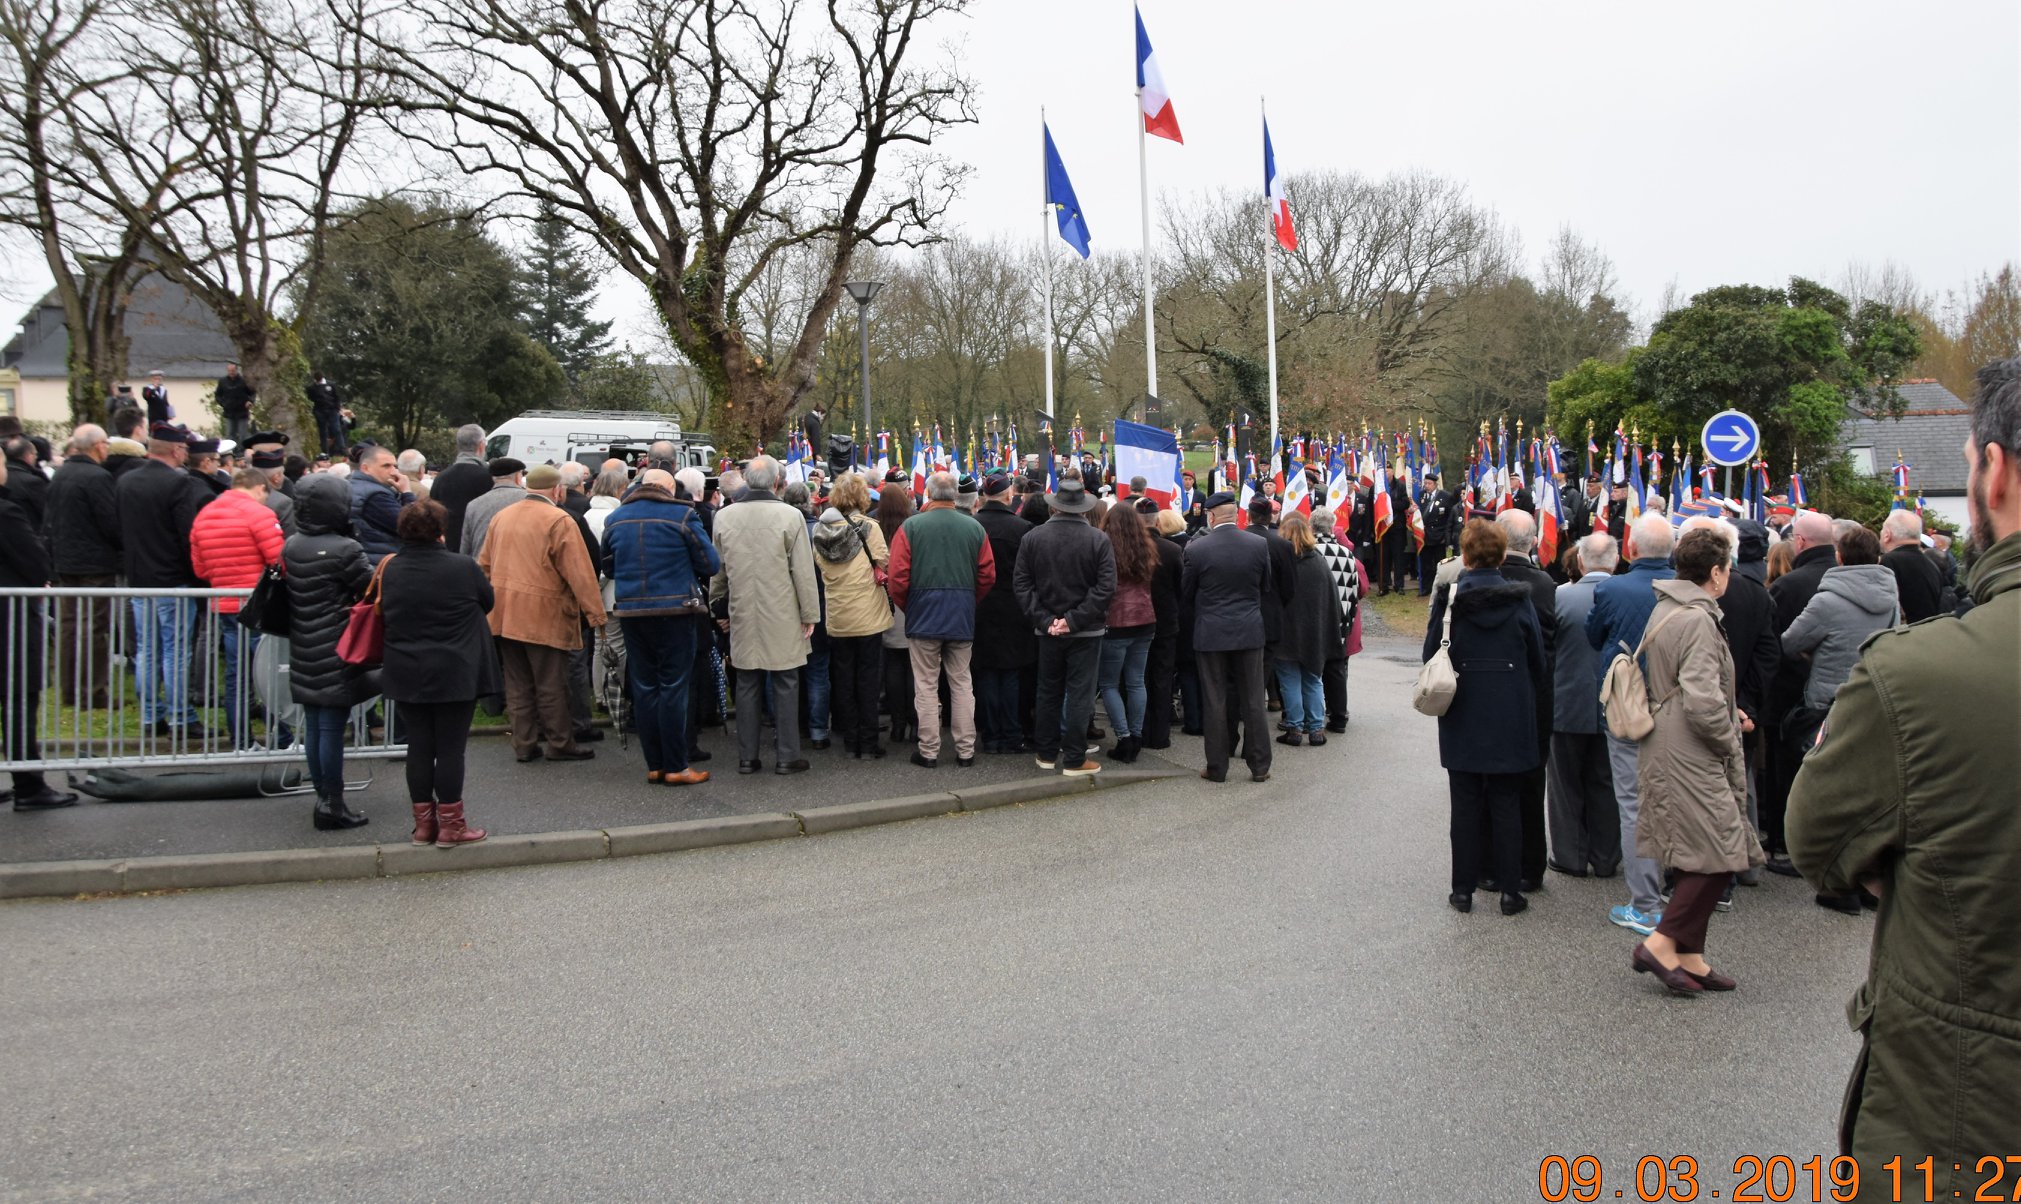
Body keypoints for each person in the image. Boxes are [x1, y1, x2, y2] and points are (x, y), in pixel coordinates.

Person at [1785, 359, 2021, 1192]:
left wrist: (1913, 854)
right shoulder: (1900, 608)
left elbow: (1819, 843)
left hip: (1965, 1123)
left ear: (1993, 472)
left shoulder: (1915, 678)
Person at [1629, 525, 1762, 992]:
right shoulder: (1698, 618)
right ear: (1717, 573)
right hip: (1688, 746)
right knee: (1722, 849)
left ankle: (1689, 954)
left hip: (1670, 738)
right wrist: (1729, 737)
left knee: (1698, 851)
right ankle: (1661, 945)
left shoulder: (1670, 606)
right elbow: (1703, 702)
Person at [1428, 518, 1546, 916]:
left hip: (1462, 712)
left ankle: (1462, 890)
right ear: (1500, 555)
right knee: (1507, 802)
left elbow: (1430, 653)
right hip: (1509, 712)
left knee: (1464, 805)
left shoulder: (1449, 599)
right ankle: (1510, 892)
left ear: (1465, 556)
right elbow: (1537, 659)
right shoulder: (1520, 600)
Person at [1781, 524, 1903, 900]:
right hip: (1871, 696)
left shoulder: (1828, 600)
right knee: (1861, 788)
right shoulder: (1890, 597)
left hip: (1826, 700)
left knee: (1822, 786)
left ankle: (1829, 876)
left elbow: (1790, 642)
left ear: (1839, 556)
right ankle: (1863, 876)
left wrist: (1816, 654)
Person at [379, 499, 497, 846]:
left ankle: (424, 825)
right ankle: (451, 825)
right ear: (441, 530)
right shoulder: (462, 567)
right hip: (454, 666)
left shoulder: (390, 567)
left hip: (405, 666)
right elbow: (487, 601)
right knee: (449, 748)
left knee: (418, 746)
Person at [1584, 513, 1677, 936]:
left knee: (1634, 804)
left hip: (1628, 708)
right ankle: (1679, 888)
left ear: (1632, 549)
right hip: (1678, 709)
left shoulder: (1612, 589)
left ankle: (1646, 904)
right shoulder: (1688, 589)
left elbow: (1594, 636)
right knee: (1674, 799)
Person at [479, 464, 607, 763]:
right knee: (551, 684)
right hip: (543, 614)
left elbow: (483, 566)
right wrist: (596, 616)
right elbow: (580, 574)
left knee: (517, 685)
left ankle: (524, 744)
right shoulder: (558, 519)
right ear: (558, 490)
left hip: (504, 614)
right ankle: (560, 743)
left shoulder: (502, 517)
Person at [603, 469, 719, 785]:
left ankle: (655, 764)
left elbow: (609, 566)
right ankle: (677, 766)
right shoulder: (682, 515)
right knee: (673, 687)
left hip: (631, 610)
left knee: (644, 687)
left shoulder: (616, 518)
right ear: (669, 488)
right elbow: (710, 564)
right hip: (676, 610)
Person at [709, 454, 820, 775]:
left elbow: (719, 571)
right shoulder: (790, 516)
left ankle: (748, 756)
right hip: (783, 610)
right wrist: (810, 613)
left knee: (747, 682)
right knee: (785, 681)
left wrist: (717, 606)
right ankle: (787, 756)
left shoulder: (724, 517)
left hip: (742, 608)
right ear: (776, 482)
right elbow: (802, 571)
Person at [281, 474, 374, 829]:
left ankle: (324, 797)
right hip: (337, 644)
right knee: (332, 726)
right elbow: (369, 586)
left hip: (304, 644)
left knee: (316, 725)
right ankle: (332, 804)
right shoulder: (345, 549)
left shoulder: (292, 544)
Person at [886, 472, 993, 768]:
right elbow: (987, 574)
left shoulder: (911, 527)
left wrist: (910, 606)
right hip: (960, 613)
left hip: (923, 614)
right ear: (955, 495)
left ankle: (929, 749)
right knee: (961, 682)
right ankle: (966, 749)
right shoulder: (974, 527)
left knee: (926, 684)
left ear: (929, 494)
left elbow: (897, 577)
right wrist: (968, 601)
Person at [1012, 478, 1115, 777]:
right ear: (1083, 508)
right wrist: (1073, 620)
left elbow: (1022, 584)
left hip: (1048, 630)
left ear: (1055, 507)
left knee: (1048, 691)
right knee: (1080, 694)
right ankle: (1073, 757)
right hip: (1085, 629)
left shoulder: (1033, 538)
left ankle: (1046, 753)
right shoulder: (1098, 539)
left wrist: (1046, 620)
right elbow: (1105, 588)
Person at [117, 424, 214, 738]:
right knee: (176, 652)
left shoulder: (126, 481)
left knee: (147, 650)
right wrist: (198, 575)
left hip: (140, 579)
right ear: (176, 450)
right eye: (184, 449)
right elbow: (187, 535)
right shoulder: (178, 482)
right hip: (172, 579)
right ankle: (180, 717)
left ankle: (151, 716)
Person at [189, 468, 285, 750]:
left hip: (225, 603)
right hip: (259, 604)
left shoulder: (204, 515)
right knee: (269, 673)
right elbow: (278, 561)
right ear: (260, 488)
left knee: (236, 674)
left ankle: (241, 740)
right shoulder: (260, 514)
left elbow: (200, 569)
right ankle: (282, 737)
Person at [0, 458, 76, 810]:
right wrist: (39, 575)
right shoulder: (5, 512)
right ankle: (28, 785)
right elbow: (35, 561)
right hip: (9, 620)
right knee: (19, 698)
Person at [1181, 492, 1272, 783]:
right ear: (1236, 515)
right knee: (1254, 699)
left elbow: (1186, 593)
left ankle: (1217, 767)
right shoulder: (1258, 544)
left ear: (1210, 516)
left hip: (1211, 632)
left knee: (1214, 699)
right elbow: (1265, 585)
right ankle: (1260, 766)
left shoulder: (1197, 548)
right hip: (1249, 629)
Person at [1548, 532, 1620, 878]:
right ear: (1616, 561)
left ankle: (1570, 856)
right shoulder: (1631, 597)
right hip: (1617, 705)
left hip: (1567, 700)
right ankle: (1606, 857)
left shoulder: (1560, 597)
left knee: (1564, 785)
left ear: (1579, 561)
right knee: (1607, 783)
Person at [811, 473, 891, 760]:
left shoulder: (819, 530)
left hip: (837, 612)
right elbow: (883, 561)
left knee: (843, 677)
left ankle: (850, 739)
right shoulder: (869, 527)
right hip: (867, 612)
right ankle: (868, 742)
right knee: (868, 678)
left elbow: (819, 563)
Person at [43, 425, 121, 708]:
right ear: (98, 445)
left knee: (68, 626)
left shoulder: (61, 474)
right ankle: (92, 691)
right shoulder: (97, 477)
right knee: (93, 627)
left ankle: (69, 689)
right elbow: (110, 522)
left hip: (66, 561)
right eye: (106, 444)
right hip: (94, 564)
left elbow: (49, 520)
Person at [972, 471, 1035, 754]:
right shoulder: (1022, 529)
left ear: (985, 496)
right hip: (1014, 609)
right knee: (1009, 674)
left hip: (981, 607)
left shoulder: (974, 526)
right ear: (1009, 495)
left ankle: (991, 735)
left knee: (986, 673)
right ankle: (1011, 734)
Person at [1094, 497, 1156, 762]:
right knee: (1136, 681)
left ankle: (1124, 737)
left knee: (1109, 683)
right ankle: (1137, 735)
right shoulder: (1146, 547)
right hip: (1145, 619)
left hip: (1116, 621)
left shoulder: (1104, 545)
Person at [1271, 511, 1340, 746]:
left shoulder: (1280, 562)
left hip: (1286, 632)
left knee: (1289, 680)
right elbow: (1331, 600)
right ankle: (1316, 729)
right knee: (1313, 678)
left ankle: (1294, 728)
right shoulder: (1319, 562)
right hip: (1314, 631)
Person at [1139, 504, 1187, 749]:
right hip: (1166, 622)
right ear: (1157, 522)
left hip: (1137, 622)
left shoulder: (1130, 548)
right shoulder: (1171, 549)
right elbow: (1181, 587)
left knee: (1138, 678)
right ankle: (1159, 735)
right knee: (1162, 677)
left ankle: (1140, 730)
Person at [1313, 510, 1366, 730]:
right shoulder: (1347, 555)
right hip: (1342, 620)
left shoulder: (1309, 551)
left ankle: (1312, 717)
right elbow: (1358, 589)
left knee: (1312, 671)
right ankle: (1339, 716)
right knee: (1337, 670)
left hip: (1315, 619)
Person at [874, 483, 916, 744]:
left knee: (892, 664)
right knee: (913, 666)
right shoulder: (913, 525)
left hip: (884, 600)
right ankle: (914, 722)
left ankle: (898, 724)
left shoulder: (874, 527)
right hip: (909, 598)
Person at [430, 425, 492, 550]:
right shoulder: (488, 477)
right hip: (478, 547)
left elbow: (432, 512)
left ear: (458, 446)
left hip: (447, 546)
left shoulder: (441, 478)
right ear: (481, 446)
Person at [349, 444, 413, 563]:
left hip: (367, 557)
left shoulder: (352, 485)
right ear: (365, 468)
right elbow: (414, 526)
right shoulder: (376, 495)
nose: (393, 472)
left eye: (395, 466)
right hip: (381, 560)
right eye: (386, 466)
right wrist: (407, 493)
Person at [1875, 509, 1943, 622]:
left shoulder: (1888, 562)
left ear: (1887, 535)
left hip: (1904, 630)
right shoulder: (1932, 565)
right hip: (1929, 629)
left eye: (1882, 529)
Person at [458, 458, 527, 560]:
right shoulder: (528, 499)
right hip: (515, 564)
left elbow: (465, 547)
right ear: (517, 477)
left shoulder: (473, 505)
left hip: (480, 564)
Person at [1416, 468, 1457, 594]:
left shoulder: (1445, 496)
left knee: (1439, 563)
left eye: (1429, 483)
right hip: (1425, 535)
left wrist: (1446, 535)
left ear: (1435, 484)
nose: (1427, 486)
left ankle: (1440, 587)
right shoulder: (1422, 495)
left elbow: (1450, 517)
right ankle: (1427, 587)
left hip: (1439, 536)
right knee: (1426, 563)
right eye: (1425, 483)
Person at [1, 433, 48, 531]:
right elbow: (46, 512)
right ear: (28, 455)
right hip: (27, 531)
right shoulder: (33, 482)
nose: (36, 457)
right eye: (35, 454)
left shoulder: (5, 477)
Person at [213, 363, 254, 445]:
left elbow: (252, 393)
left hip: (242, 412)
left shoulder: (244, 381)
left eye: (233, 370)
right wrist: (223, 403)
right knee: (229, 435)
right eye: (229, 371)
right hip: (229, 412)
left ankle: (243, 450)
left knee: (243, 435)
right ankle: (231, 451)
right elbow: (218, 395)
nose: (231, 372)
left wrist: (250, 401)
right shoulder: (222, 381)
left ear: (236, 370)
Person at [307, 373, 346, 455]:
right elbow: (310, 398)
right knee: (323, 431)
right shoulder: (312, 388)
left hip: (332, 410)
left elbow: (337, 397)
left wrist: (337, 408)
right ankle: (324, 450)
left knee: (336, 429)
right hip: (319, 411)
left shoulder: (331, 384)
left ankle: (342, 448)